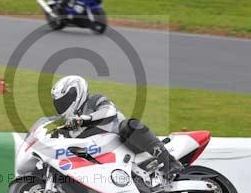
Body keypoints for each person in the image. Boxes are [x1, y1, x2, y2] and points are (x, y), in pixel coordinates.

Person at [51, 75, 183, 180]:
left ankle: (169, 161)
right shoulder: (70, 126)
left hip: (130, 147)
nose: (62, 105)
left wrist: (85, 120)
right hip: (104, 164)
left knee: (128, 125)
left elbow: (109, 111)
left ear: (77, 93)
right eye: (59, 103)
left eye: (65, 100)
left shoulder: (95, 100)